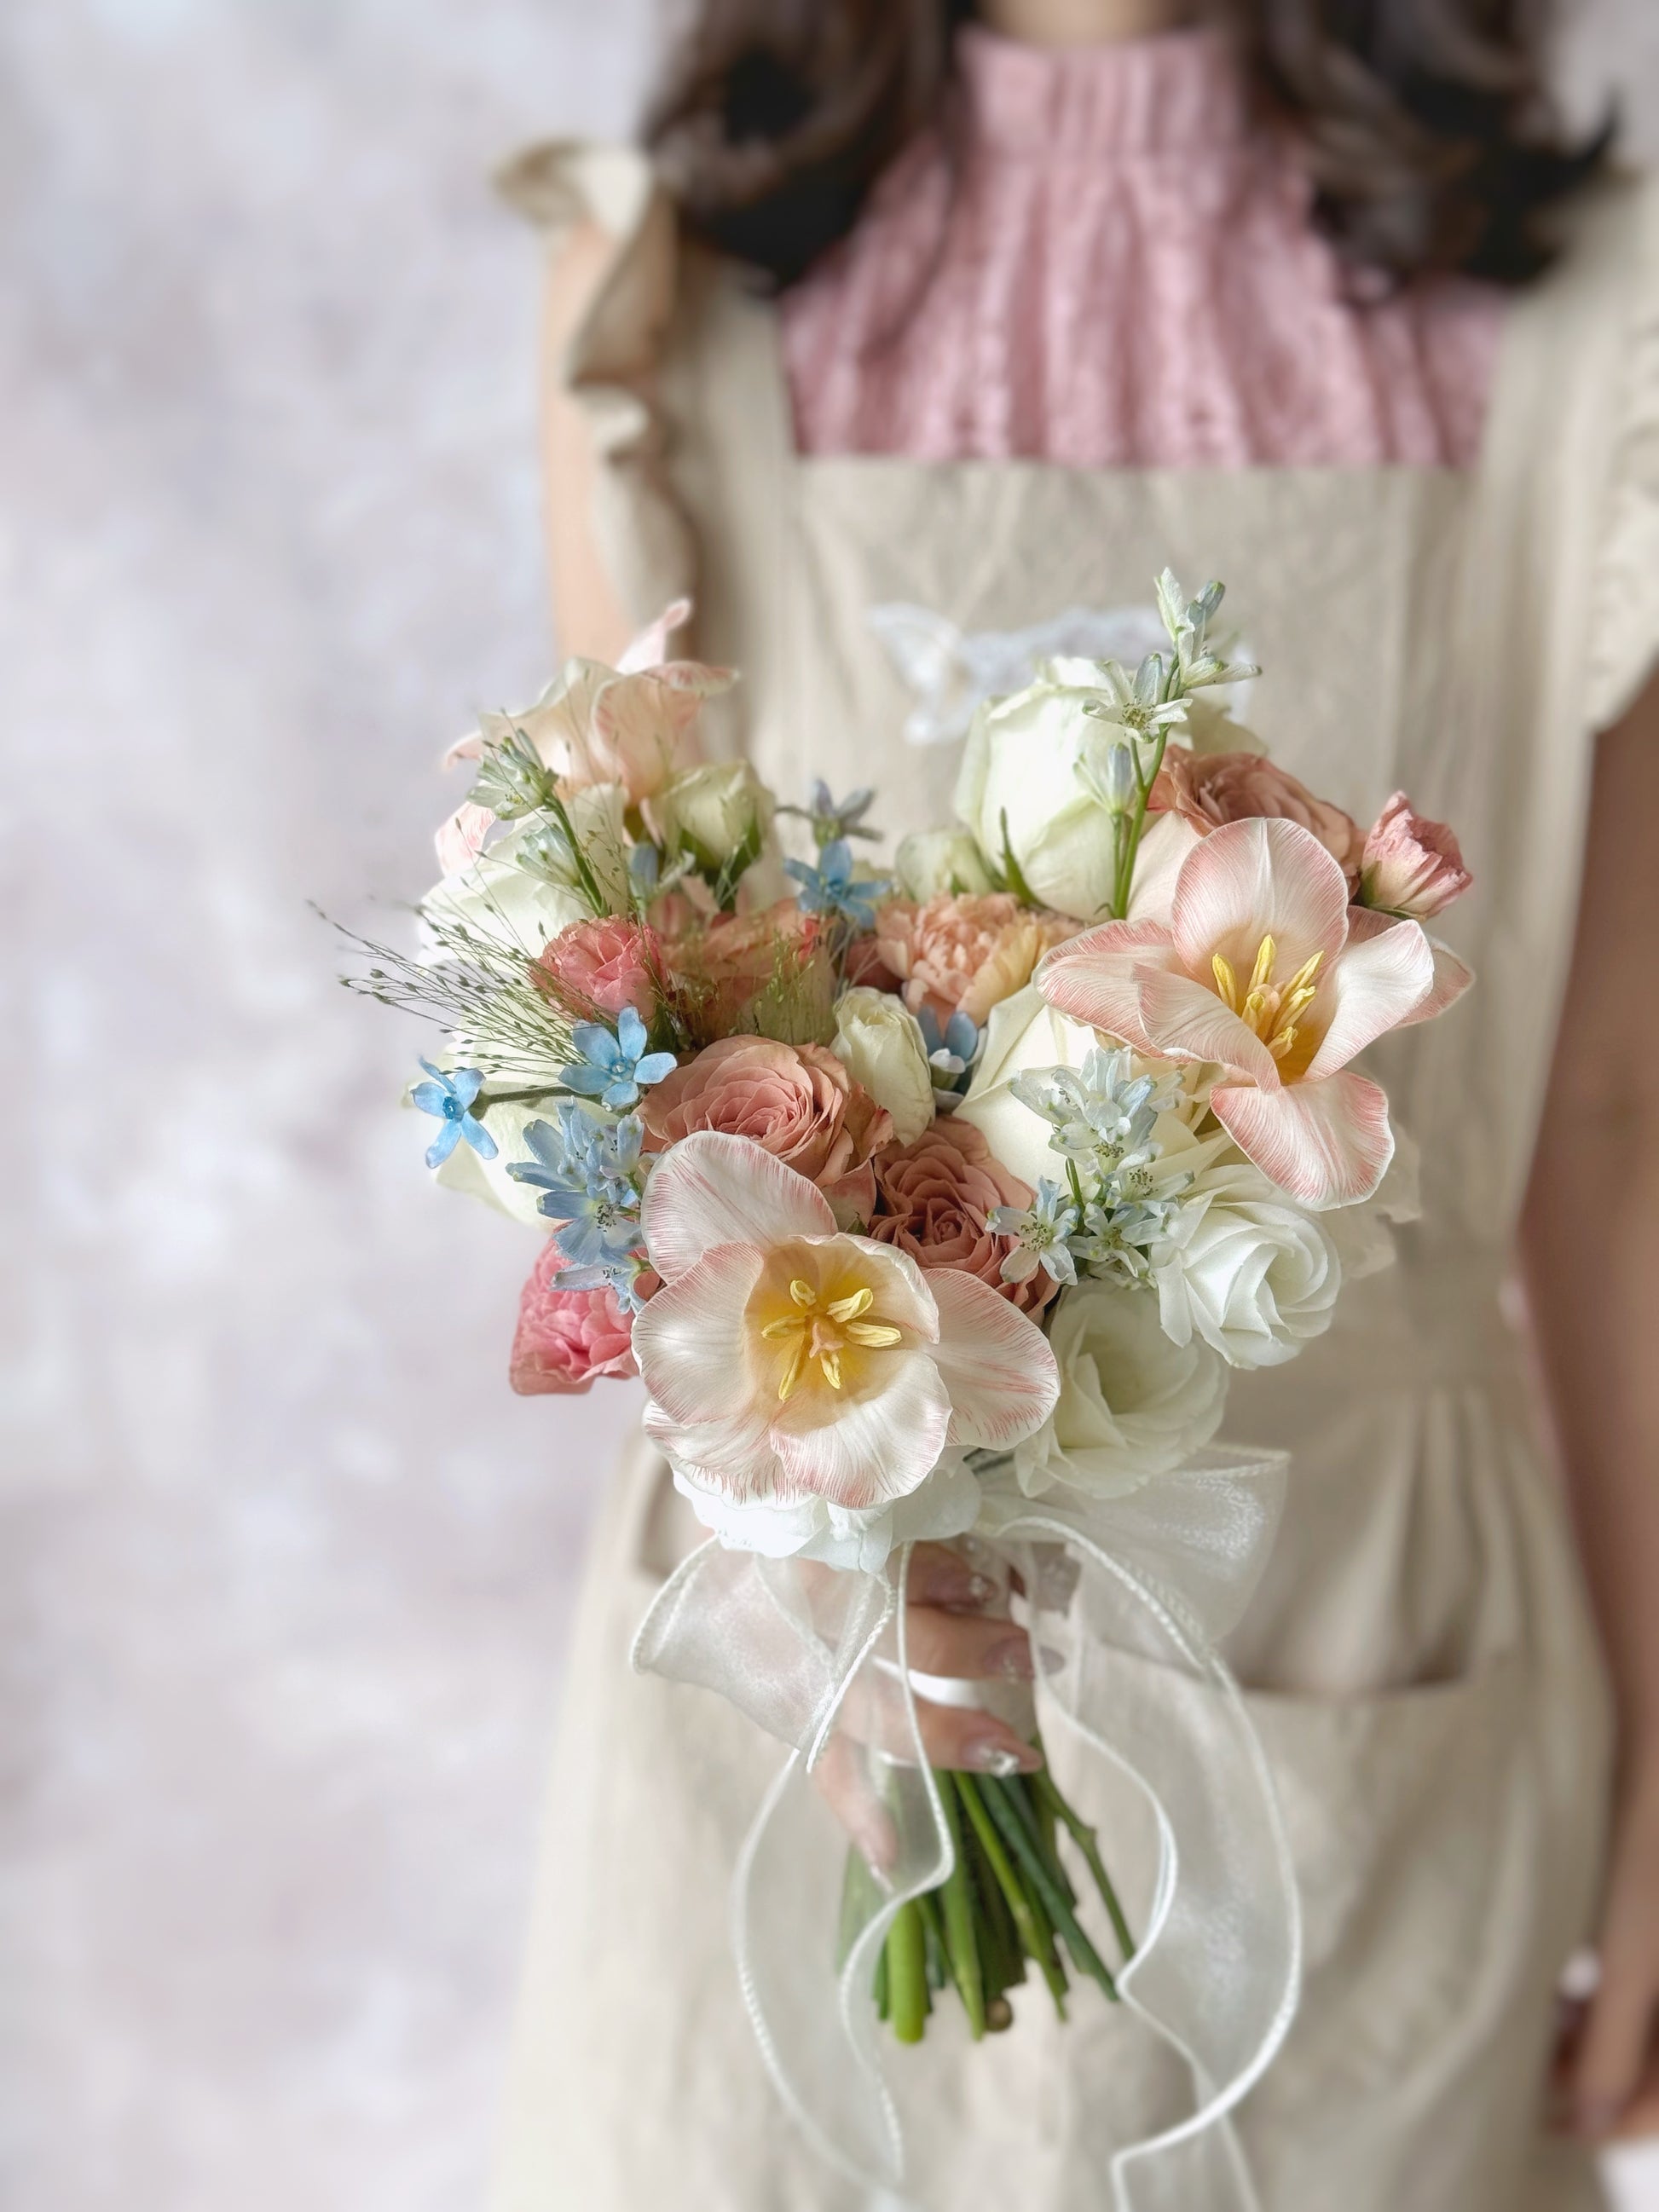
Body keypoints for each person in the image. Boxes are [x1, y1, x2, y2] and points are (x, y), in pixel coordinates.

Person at [489, 3, 1659, 2206]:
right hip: (789, 1652)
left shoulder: (1594, 317)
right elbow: (630, 1002)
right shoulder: (676, 289)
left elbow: (1609, 1122)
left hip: (1370, 1608)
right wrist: (845, 1556)